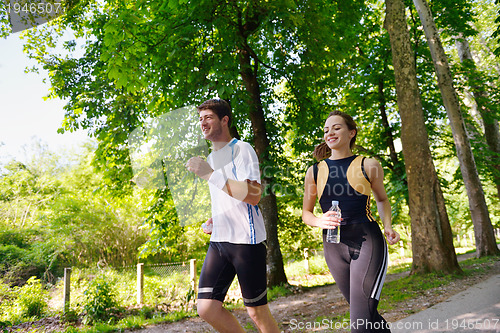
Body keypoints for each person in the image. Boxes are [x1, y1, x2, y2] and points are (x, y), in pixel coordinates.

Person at [185, 98, 280, 333]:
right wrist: (216, 218)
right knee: (206, 308)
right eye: (200, 119)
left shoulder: (242, 149)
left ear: (224, 120)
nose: (202, 123)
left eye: (208, 117)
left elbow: (254, 195)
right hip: (219, 240)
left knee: (257, 312)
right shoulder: (211, 159)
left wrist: (209, 175)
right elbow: (227, 196)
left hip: (246, 242)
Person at [302, 110, 400, 333]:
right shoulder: (314, 171)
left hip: (367, 242)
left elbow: (382, 199)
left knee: (360, 324)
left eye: (336, 127)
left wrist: (388, 226)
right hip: (333, 246)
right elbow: (306, 213)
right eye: (326, 130)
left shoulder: (369, 165)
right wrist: (319, 221)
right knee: (367, 316)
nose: (330, 133)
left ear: (351, 133)